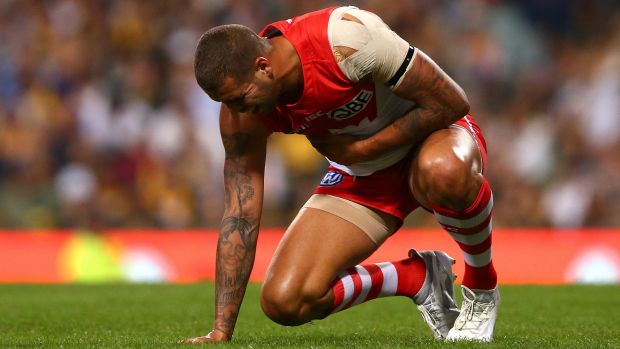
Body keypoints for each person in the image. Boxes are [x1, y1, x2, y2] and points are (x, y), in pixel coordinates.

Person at [185, 5, 499, 344]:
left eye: (240, 99)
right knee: (284, 301)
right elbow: (239, 215)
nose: (238, 111)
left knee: (444, 172)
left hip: (434, 138)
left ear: (263, 67)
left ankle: (481, 289)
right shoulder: (242, 112)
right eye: (227, 103)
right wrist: (221, 330)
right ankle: (415, 277)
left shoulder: (345, 39)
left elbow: (451, 102)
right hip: (364, 175)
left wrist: (366, 150)